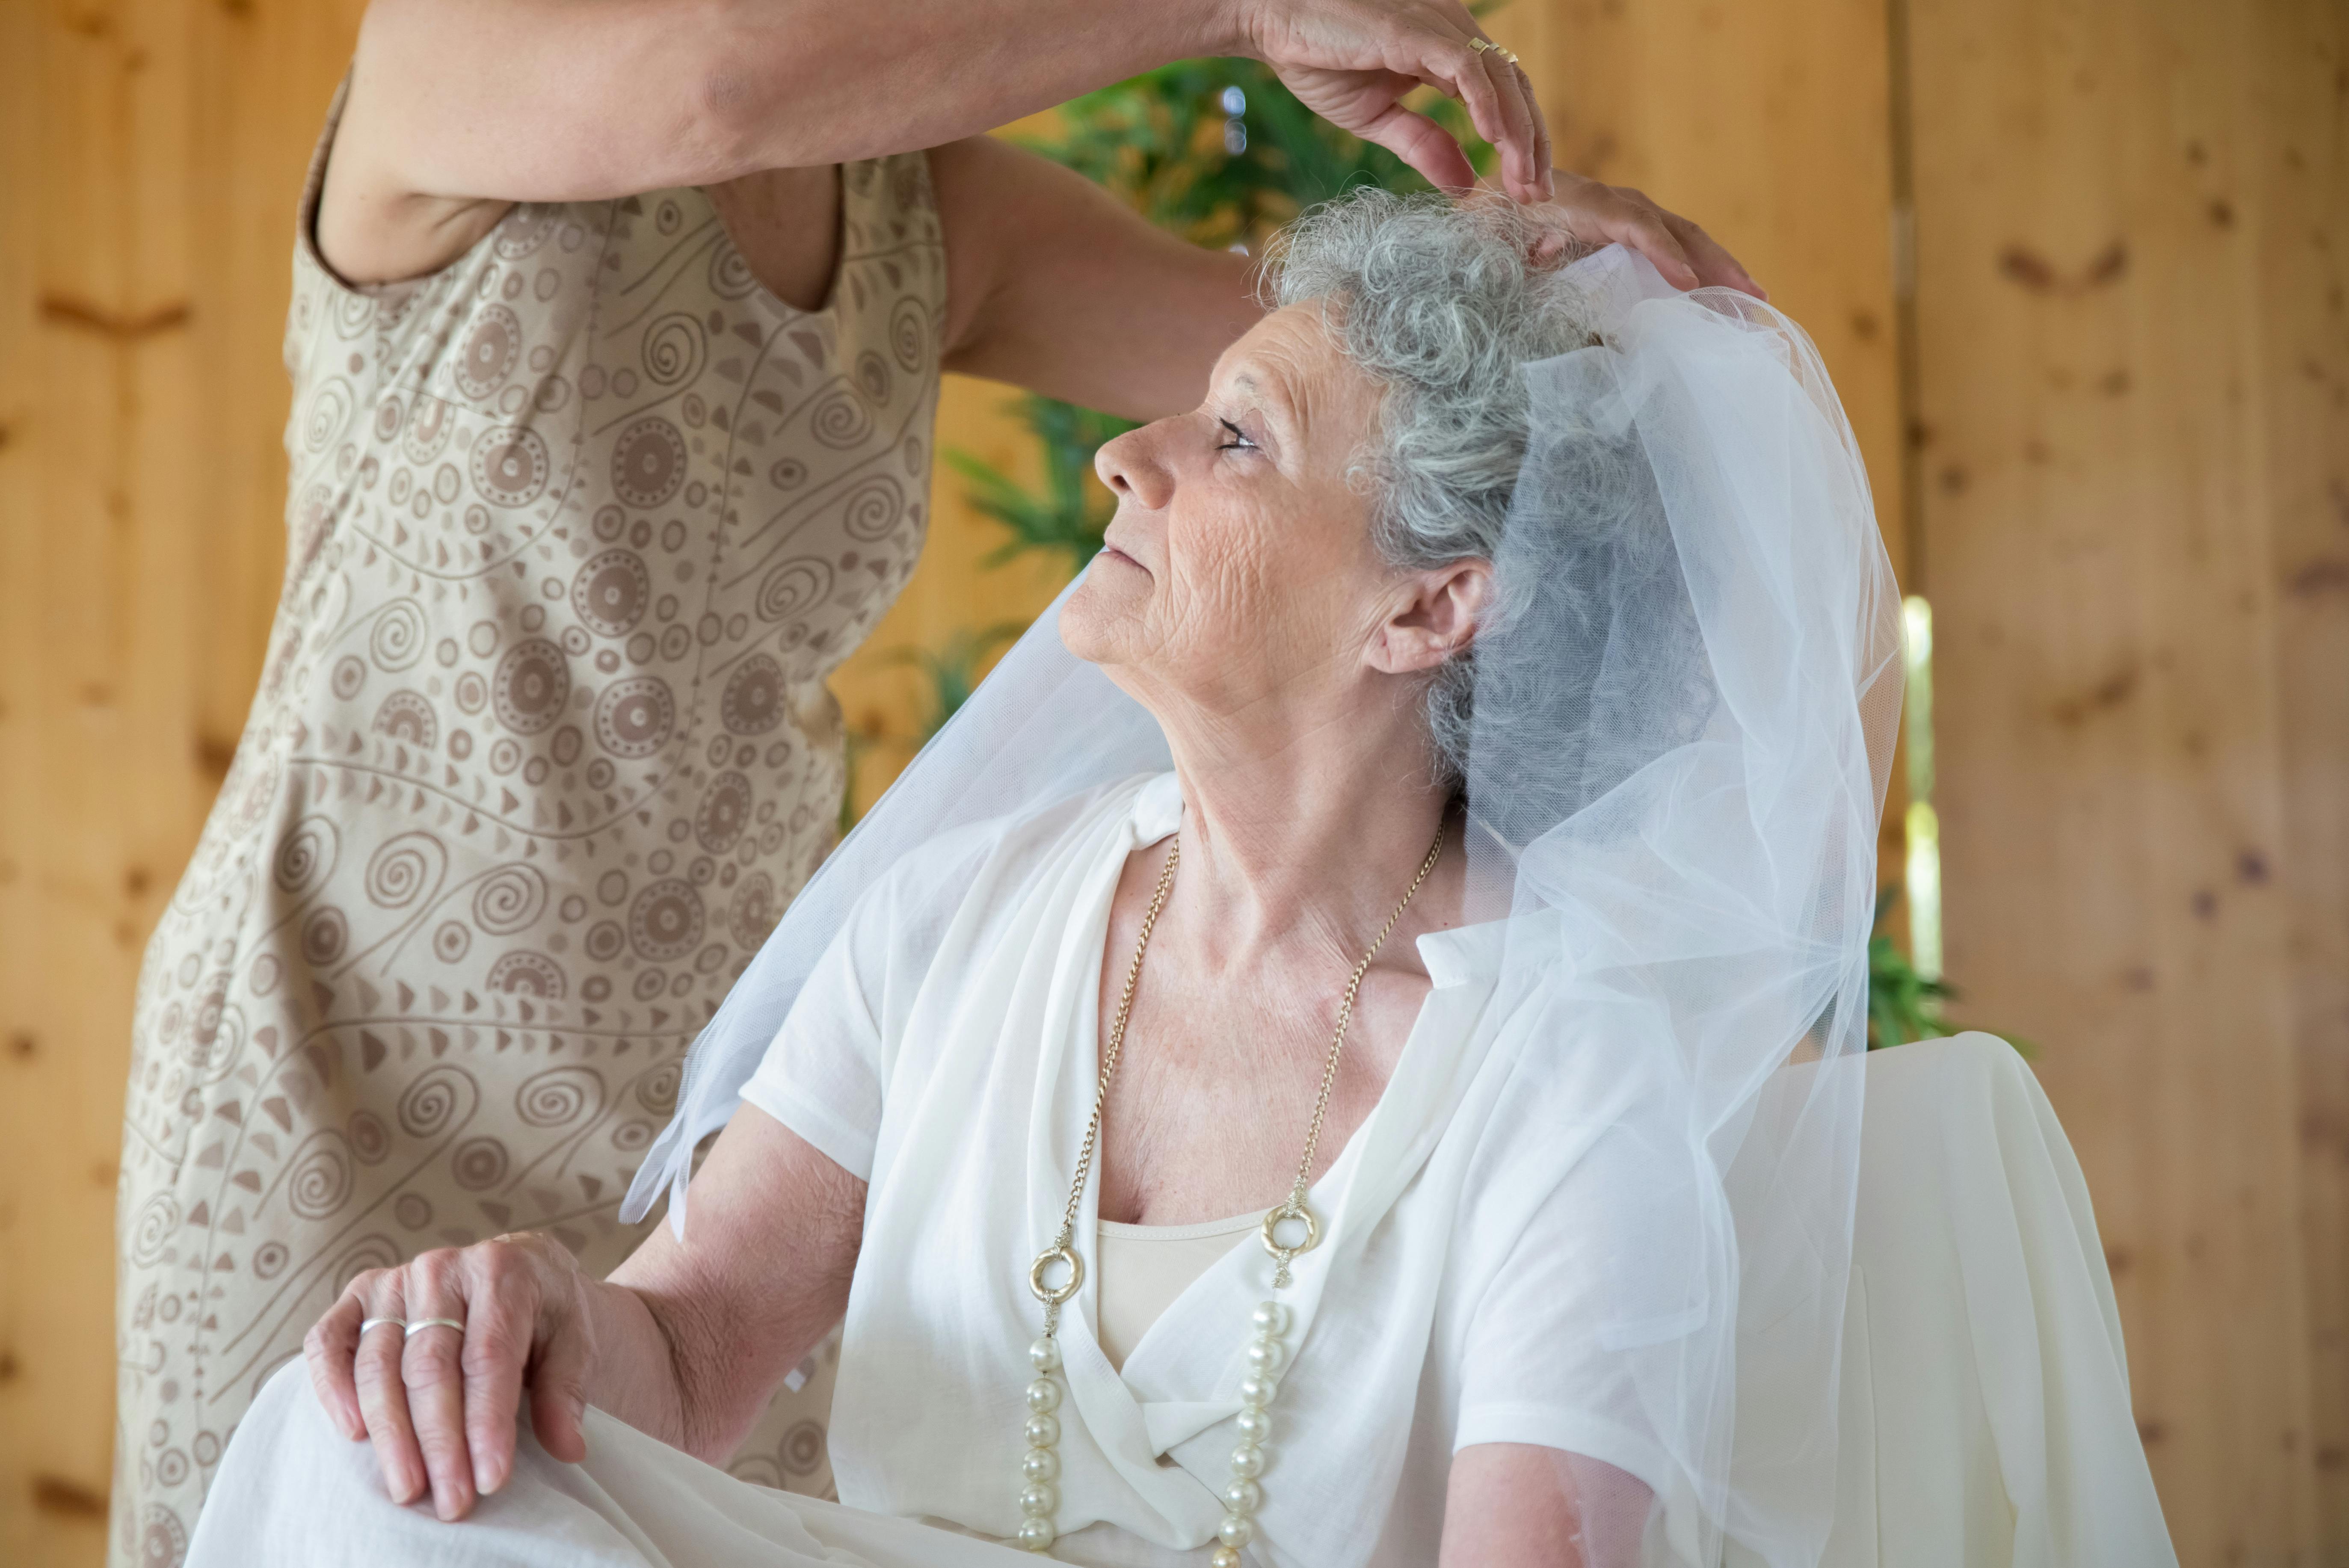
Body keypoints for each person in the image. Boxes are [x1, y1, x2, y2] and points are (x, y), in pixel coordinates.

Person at [111, 0, 1762, 1560]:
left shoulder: (926, 221)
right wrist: (1242, 12)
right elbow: (716, 92)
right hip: (355, 1016)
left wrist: (1556, 301)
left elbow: (1369, 425)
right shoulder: (454, 52)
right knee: (359, 1462)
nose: (1138, 456)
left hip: (723, 1023)